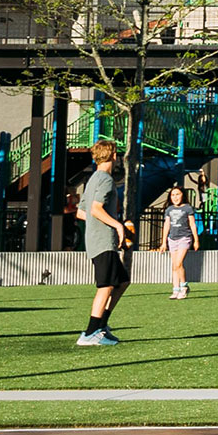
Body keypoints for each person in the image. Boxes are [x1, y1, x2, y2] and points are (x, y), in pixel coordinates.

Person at [78, 142, 134, 346]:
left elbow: (81, 211)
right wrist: (117, 226)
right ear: (113, 155)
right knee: (106, 286)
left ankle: (101, 326)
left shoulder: (93, 179)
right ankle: (90, 333)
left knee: (122, 282)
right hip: (103, 241)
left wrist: (104, 222)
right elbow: (96, 209)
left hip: (97, 240)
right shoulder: (106, 180)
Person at [158, 184, 200, 300]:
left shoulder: (187, 208)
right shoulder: (169, 210)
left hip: (184, 238)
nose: (175, 197)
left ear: (182, 195)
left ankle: (184, 286)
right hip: (172, 239)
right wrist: (163, 242)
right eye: (173, 195)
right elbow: (166, 225)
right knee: (174, 266)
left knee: (178, 263)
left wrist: (196, 240)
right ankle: (175, 289)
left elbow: (192, 224)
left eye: (177, 194)